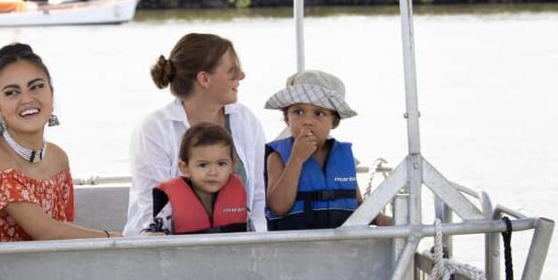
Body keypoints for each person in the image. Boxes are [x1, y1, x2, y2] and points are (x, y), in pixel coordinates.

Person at [0, 43, 121, 241]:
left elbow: (63, 230)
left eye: (37, 86)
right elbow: (44, 231)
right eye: (12, 92)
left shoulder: (58, 157)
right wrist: (115, 238)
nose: (27, 99)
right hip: (0, 271)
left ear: (51, 92)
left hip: (49, 268)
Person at [124, 33, 267, 235]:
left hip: (237, 252)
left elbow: (259, 199)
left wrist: (256, 252)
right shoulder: (154, 130)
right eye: (232, 70)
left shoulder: (246, 120)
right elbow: (151, 214)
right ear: (204, 79)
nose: (241, 76)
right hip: (165, 253)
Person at [264, 69, 391, 230]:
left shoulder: (344, 158)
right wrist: (296, 159)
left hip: (342, 250)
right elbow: (278, 206)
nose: (307, 121)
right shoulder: (277, 157)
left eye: (319, 113)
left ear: (334, 121)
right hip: (294, 250)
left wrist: (382, 220)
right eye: (299, 112)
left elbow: (358, 205)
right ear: (286, 118)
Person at [149, 123, 249, 235]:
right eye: (203, 165)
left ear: (232, 165)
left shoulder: (237, 193)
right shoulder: (169, 208)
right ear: (185, 167)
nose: (213, 172)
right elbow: (151, 235)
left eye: (221, 164)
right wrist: (153, 235)